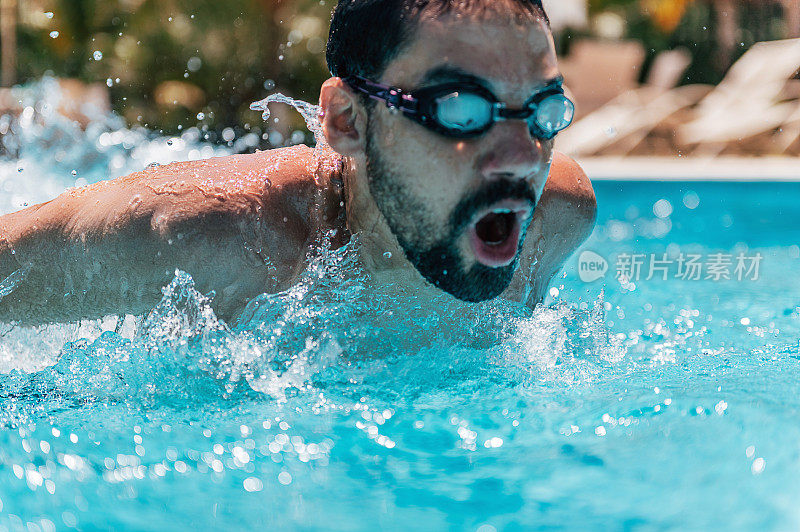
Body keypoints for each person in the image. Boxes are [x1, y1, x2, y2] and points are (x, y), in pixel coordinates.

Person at [0, 0, 596, 325]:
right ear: (347, 122)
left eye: (542, 111)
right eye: (460, 110)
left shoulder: (556, 218)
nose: (523, 157)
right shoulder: (205, 240)